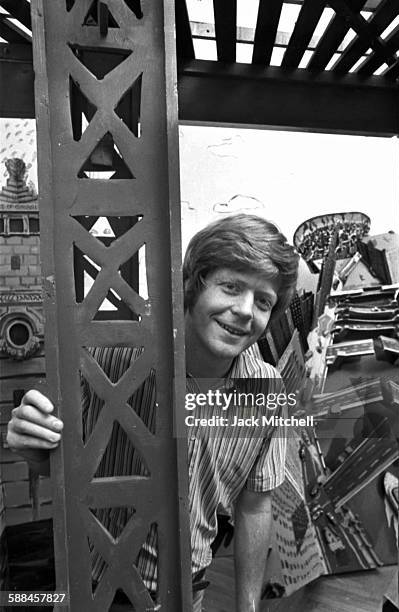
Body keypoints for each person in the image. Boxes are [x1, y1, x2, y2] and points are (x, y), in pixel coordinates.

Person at [7, 213, 299, 611]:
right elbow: (56, 467)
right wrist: (33, 443)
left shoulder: (268, 392)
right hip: (92, 592)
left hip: (186, 594)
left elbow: (255, 505)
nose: (246, 310)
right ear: (191, 286)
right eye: (231, 286)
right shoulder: (114, 354)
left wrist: (247, 606)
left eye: (263, 301)